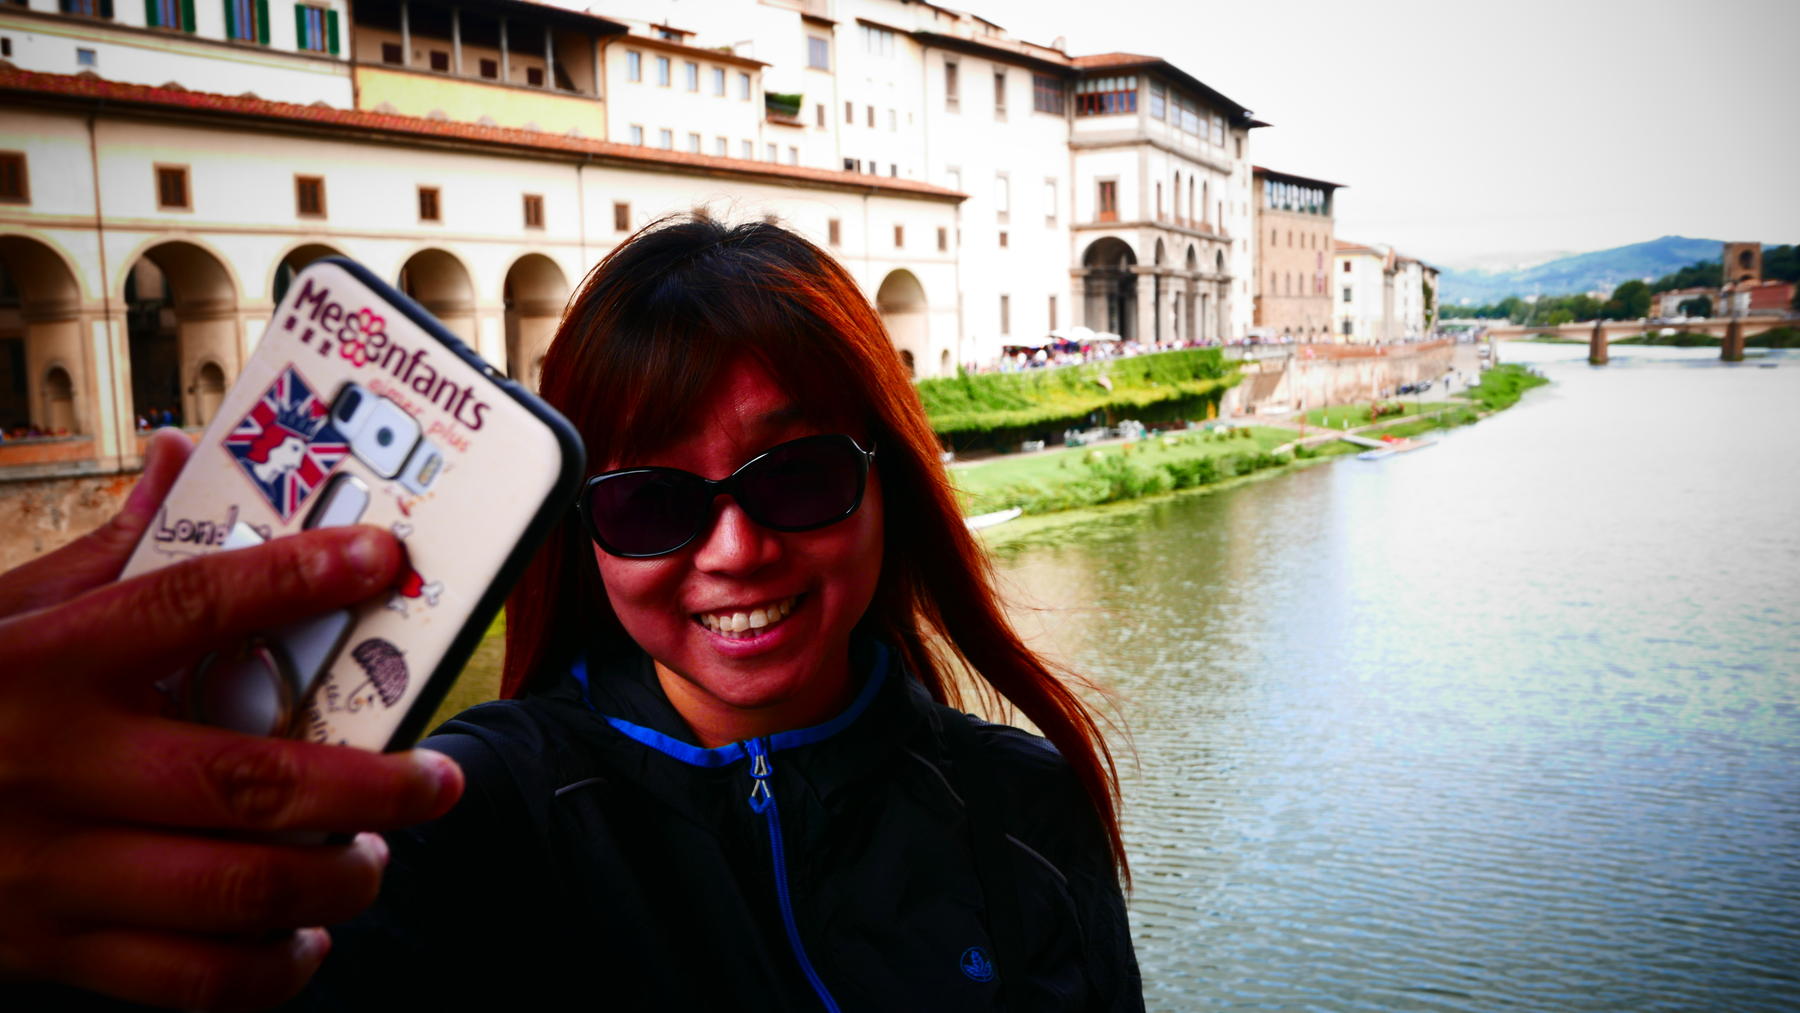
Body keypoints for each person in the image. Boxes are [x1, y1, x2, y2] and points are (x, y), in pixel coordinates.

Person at [4, 217, 1142, 1010]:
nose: (736, 550)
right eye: (650, 502)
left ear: (888, 481)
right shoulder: (456, 816)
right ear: (583, 532)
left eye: (796, 475)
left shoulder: (1022, 801)